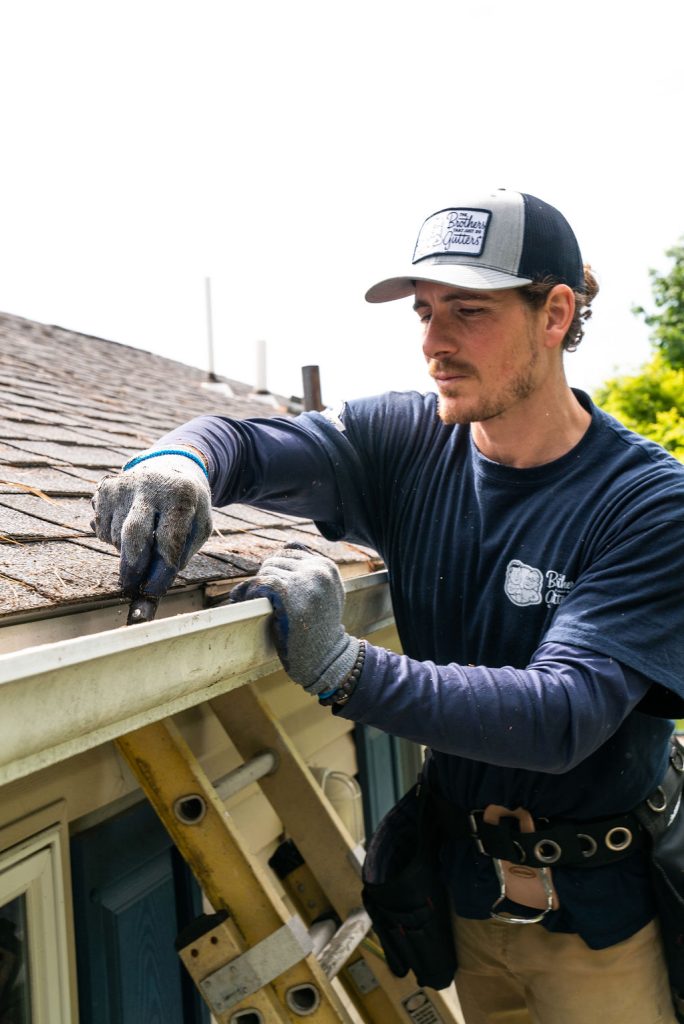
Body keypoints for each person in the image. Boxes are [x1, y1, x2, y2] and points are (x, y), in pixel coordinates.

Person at [93, 189, 684, 1024]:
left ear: (555, 314)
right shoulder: (409, 443)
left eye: (468, 312)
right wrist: (180, 461)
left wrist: (343, 668)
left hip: (599, 934)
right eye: (425, 311)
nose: (434, 343)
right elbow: (253, 442)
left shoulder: (646, 503)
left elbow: (563, 714)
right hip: (468, 905)